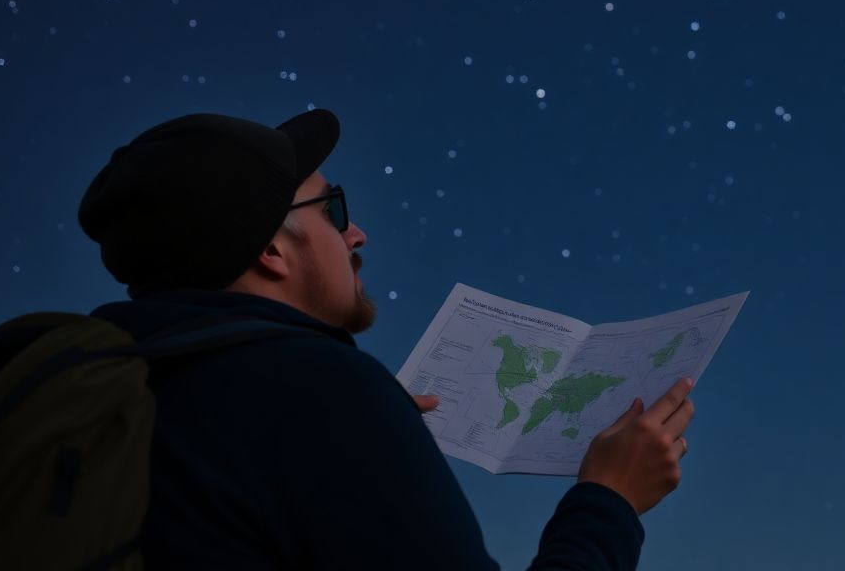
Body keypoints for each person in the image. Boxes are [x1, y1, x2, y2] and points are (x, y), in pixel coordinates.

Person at [75, 108, 695, 570]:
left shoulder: (101, 388)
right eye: (333, 210)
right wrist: (609, 500)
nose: (357, 235)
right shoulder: (317, 394)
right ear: (270, 250)